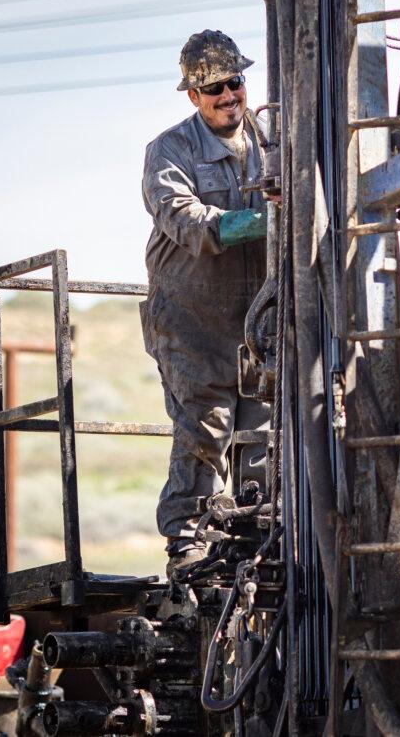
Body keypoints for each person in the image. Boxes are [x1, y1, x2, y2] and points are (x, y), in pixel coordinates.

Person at [140, 30, 271, 579]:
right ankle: (188, 540)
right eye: (213, 88)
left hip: (257, 319)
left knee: (262, 430)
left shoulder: (270, 140)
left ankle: (256, 535)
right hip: (189, 318)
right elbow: (182, 218)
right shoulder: (170, 151)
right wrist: (257, 221)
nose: (227, 95)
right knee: (206, 425)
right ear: (193, 96)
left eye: (234, 82)